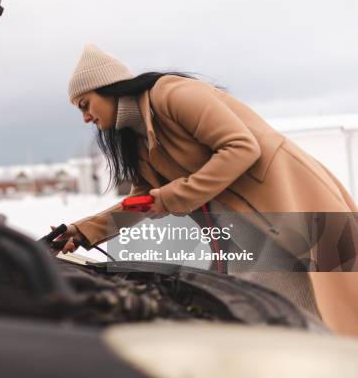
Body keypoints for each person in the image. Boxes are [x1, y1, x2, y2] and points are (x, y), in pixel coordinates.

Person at [52, 43, 358, 336]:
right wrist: (81, 232)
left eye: (85, 104)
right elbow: (139, 202)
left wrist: (172, 196)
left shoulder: (172, 94)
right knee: (258, 316)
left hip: (291, 205)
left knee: (300, 314)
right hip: (243, 230)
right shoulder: (139, 138)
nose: (86, 117)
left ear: (109, 88)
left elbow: (241, 147)